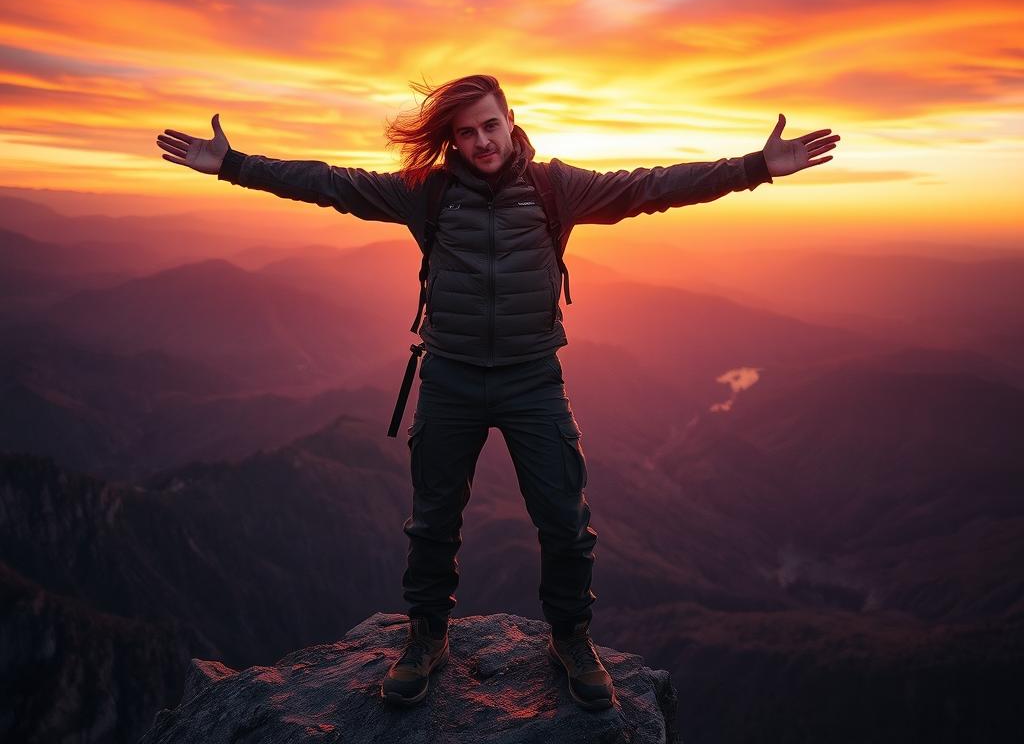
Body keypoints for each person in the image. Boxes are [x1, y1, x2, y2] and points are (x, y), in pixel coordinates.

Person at [156, 74, 839, 711]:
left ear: (512, 122)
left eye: (490, 127)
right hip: (449, 377)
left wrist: (755, 167)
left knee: (563, 520)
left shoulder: (554, 190)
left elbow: (654, 184)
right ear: (452, 140)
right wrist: (233, 163)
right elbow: (331, 183)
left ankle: (570, 639)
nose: (481, 142)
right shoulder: (425, 193)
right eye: (466, 133)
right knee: (432, 522)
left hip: (532, 378)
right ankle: (426, 638)